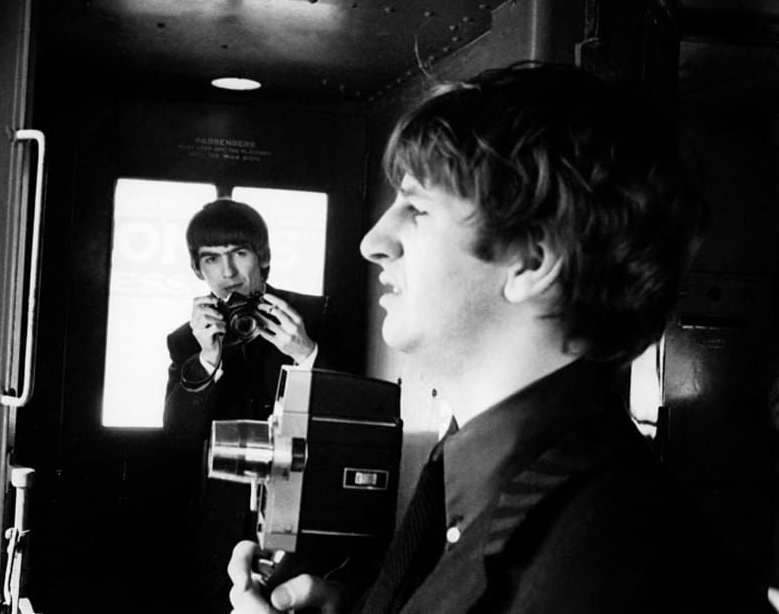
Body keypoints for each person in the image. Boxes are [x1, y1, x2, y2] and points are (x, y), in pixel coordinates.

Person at [226, 63, 770, 613]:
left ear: (532, 259)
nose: (373, 242)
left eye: (416, 208)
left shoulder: (616, 562)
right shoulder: (488, 481)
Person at [164, 197, 337, 614]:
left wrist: (308, 354)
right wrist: (206, 359)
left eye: (239, 254)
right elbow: (178, 436)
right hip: (221, 526)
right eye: (211, 259)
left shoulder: (314, 314)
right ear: (197, 269)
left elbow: (355, 414)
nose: (227, 273)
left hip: (303, 517)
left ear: (264, 257)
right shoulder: (186, 340)